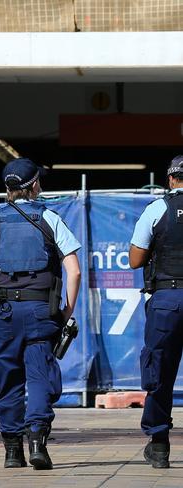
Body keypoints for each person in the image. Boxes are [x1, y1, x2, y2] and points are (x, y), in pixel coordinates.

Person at [0, 158, 81, 470]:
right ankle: (38, 442)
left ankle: (12, 451)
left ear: (8, 189)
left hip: (4, 311)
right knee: (41, 374)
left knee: (6, 377)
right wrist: (66, 310)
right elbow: (74, 272)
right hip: (42, 310)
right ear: (34, 186)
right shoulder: (50, 219)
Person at [129, 156, 183, 469]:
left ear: (170, 179)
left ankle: (159, 444)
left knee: (160, 372)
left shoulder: (156, 209)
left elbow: (135, 260)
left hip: (167, 298)